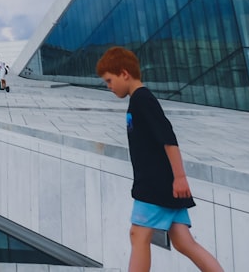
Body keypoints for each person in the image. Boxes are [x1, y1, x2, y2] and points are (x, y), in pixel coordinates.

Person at [96, 47, 224, 272]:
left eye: (109, 80)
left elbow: (169, 138)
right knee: (184, 242)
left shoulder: (142, 100)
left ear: (124, 73)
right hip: (164, 184)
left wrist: (180, 177)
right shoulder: (138, 100)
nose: (108, 87)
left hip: (155, 184)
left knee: (138, 235)